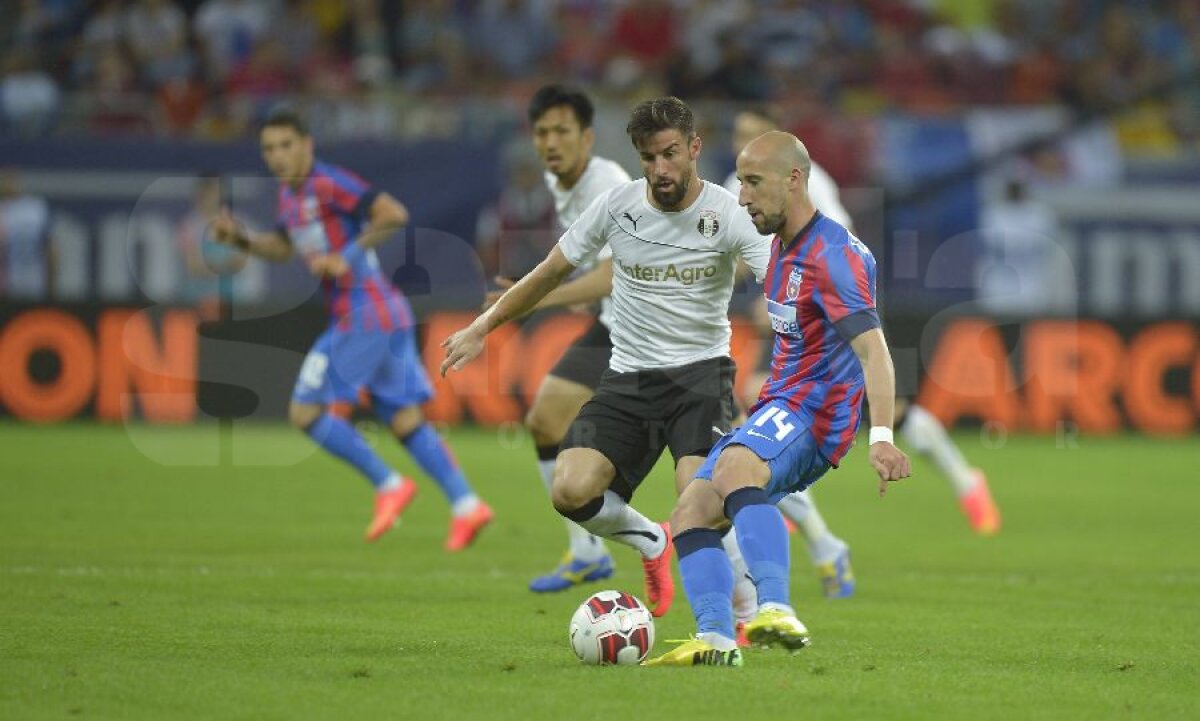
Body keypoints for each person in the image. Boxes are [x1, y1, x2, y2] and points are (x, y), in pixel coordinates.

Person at [443, 97, 772, 618]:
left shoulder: (728, 214)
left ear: (694, 148)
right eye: (648, 158)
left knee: (700, 500)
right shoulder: (617, 207)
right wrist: (484, 326)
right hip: (629, 379)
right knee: (570, 490)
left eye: (669, 154)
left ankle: (745, 613)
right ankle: (652, 542)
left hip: (700, 379)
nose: (659, 170)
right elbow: (550, 272)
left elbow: (777, 281)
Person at [646, 131, 911, 668]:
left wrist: (881, 437)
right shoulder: (780, 250)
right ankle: (717, 640)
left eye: (752, 182)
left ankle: (777, 608)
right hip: (781, 405)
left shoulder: (834, 255)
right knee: (691, 510)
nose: (742, 197)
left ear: (794, 179)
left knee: (738, 469)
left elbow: (875, 352)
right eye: (740, 182)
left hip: (818, 414)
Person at [212, 109, 493, 550]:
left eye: (286, 145)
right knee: (403, 420)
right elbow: (284, 249)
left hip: (366, 313)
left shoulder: (328, 182)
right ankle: (466, 504)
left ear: (307, 144)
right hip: (383, 312)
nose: (278, 156)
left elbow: (392, 214)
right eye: (269, 149)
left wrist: (349, 253)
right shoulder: (290, 197)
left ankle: (389, 484)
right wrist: (242, 240)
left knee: (305, 412)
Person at [726, 106, 1000, 538]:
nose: (744, 141)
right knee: (756, 391)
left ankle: (966, 482)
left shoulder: (808, 181)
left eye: (753, 132)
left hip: (835, 303)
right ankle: (787, 503)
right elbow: (744, 254)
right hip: (790, 314)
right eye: (739, 134)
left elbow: (831, 241)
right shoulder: (738, 187)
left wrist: (790, 289)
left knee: (890, 409)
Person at [505, 85, 631, 593]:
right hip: (614, 322)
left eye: (561, 131)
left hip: (655, 330)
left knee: (707, 462)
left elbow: (612, 276)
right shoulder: (561, 183)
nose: (550, 142)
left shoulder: (607, 183)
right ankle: (587, 553)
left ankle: (795, 548)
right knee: (544, 420)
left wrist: (534, 298)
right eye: (541, 132)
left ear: (587, 137)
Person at [176, 173, 247, 315]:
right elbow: (193, 268)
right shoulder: (189, 226)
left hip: (231, 301)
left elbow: (240, 263)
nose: (213, 196)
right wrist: (226, 265)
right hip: (196, 301)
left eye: (217, 191)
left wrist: (209, 265)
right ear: (200, 193)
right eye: (209, 191)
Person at [0, 168, 54, 301]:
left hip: (35, 281)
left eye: (11, 179)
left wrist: (51, 284)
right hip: (7, 282)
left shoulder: (34, 209)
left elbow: (51, 248)